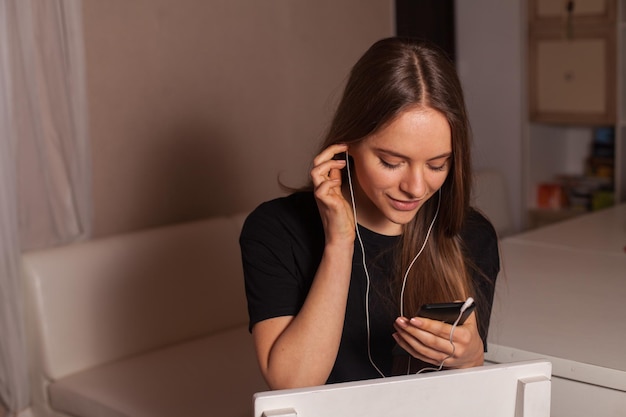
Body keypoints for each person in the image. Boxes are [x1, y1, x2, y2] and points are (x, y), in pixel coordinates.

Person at [239, 37, 499, 390]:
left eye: (438, 165)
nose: (416, 187)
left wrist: (472, 360)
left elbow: (465, 394)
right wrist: (340, 243)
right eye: (391, 162)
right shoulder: (275, 230)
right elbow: (293, 385)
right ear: (346, 147)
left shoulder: (471, 234)